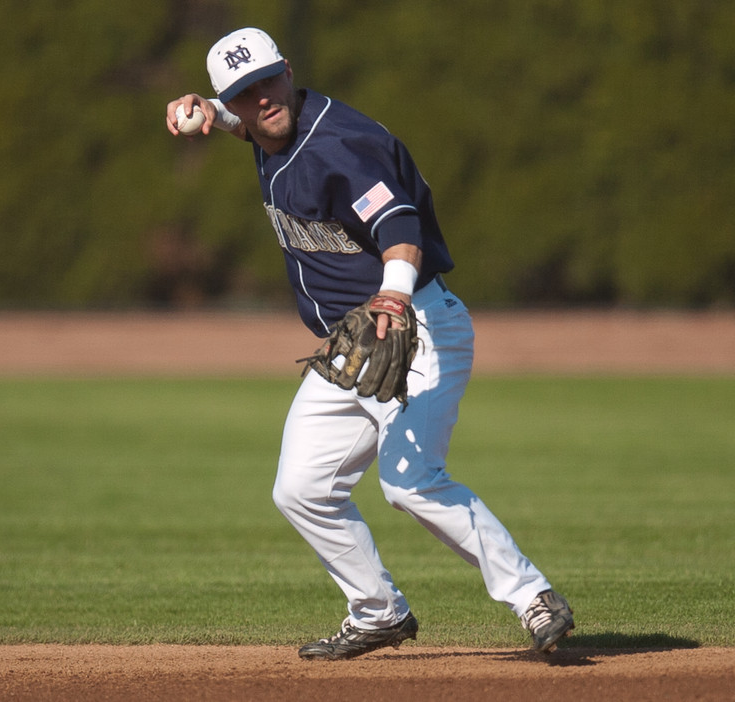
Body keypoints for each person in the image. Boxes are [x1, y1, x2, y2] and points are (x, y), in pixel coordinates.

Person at [166, 27, 574, 661]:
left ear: (289, 69)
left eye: (270, 80)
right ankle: (377, 611)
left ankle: (533, 597)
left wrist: (393, 294)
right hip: (348, 350)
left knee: (409, 483)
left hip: (415, 327)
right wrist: (209, 114)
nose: (263, 98)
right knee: (301, 489)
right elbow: (252, 124)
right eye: (245, 92)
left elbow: (399, 224)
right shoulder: (267, 123)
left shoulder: (342, 146)